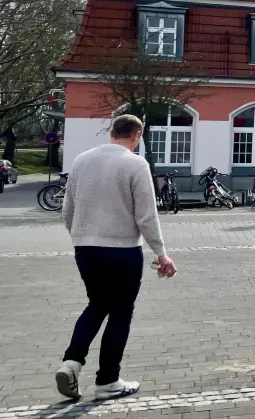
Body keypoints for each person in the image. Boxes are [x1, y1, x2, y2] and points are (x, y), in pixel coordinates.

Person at [57, 115, 176, 401]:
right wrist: (161, 253)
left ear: (112, 132)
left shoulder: (81, 160)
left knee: (96, 305)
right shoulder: (136, 164)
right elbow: (146, 215)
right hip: (122, 250)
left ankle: (71, 362)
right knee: (121, 312)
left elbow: (67, 209)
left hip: (85, 248)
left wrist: (80, 236)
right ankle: (108, 380)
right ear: (137, 135)